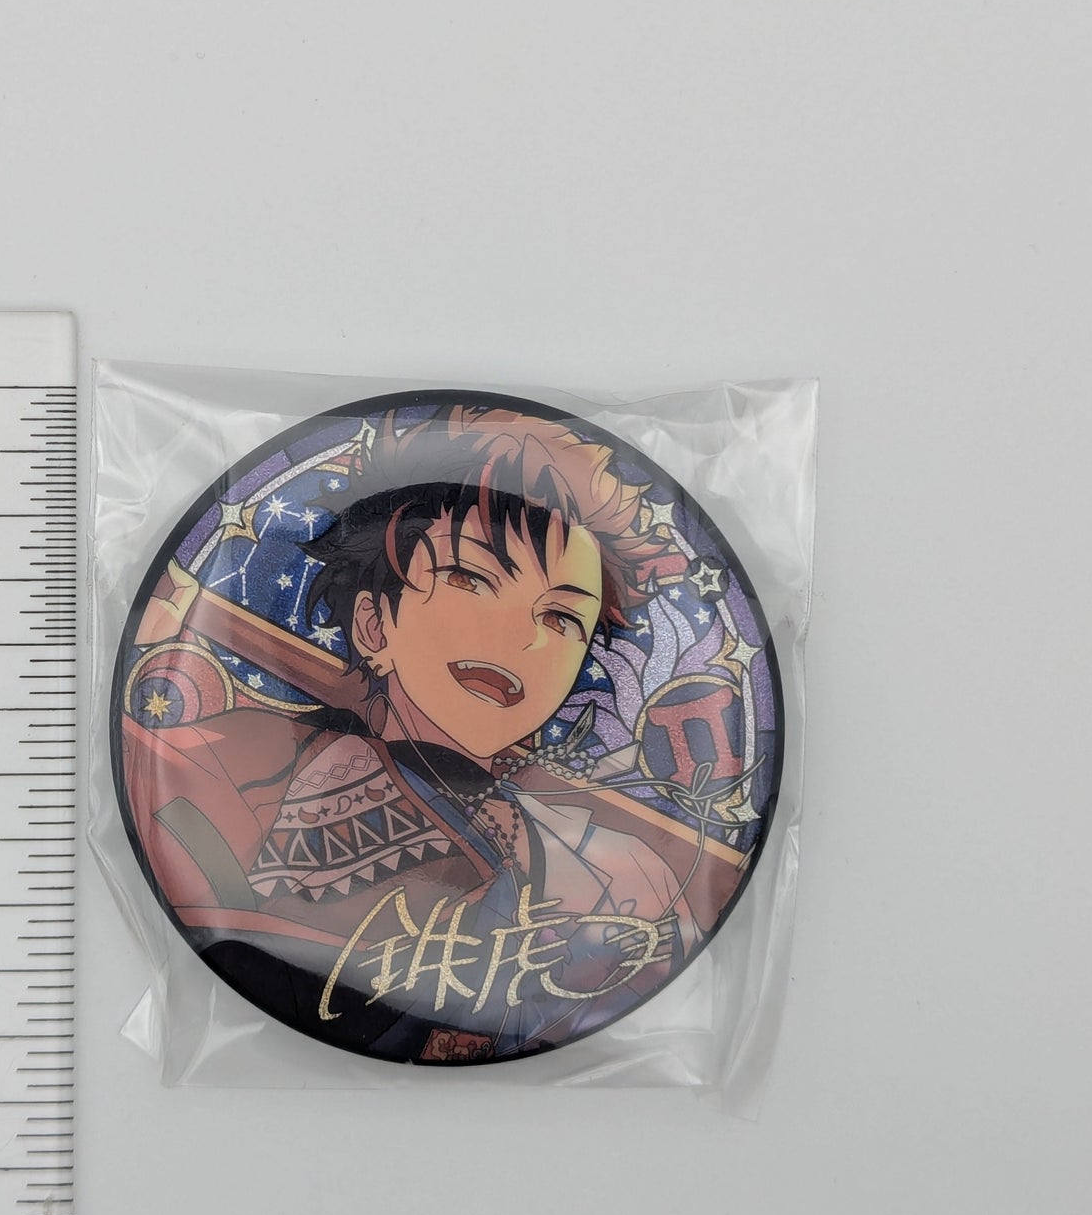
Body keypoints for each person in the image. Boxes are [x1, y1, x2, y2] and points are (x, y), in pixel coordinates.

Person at [120, 404, 738, 1063]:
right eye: (471, 579)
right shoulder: (228, 765)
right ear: (373, 625)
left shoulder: (620, 871)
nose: (521, 638)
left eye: (561, 618)